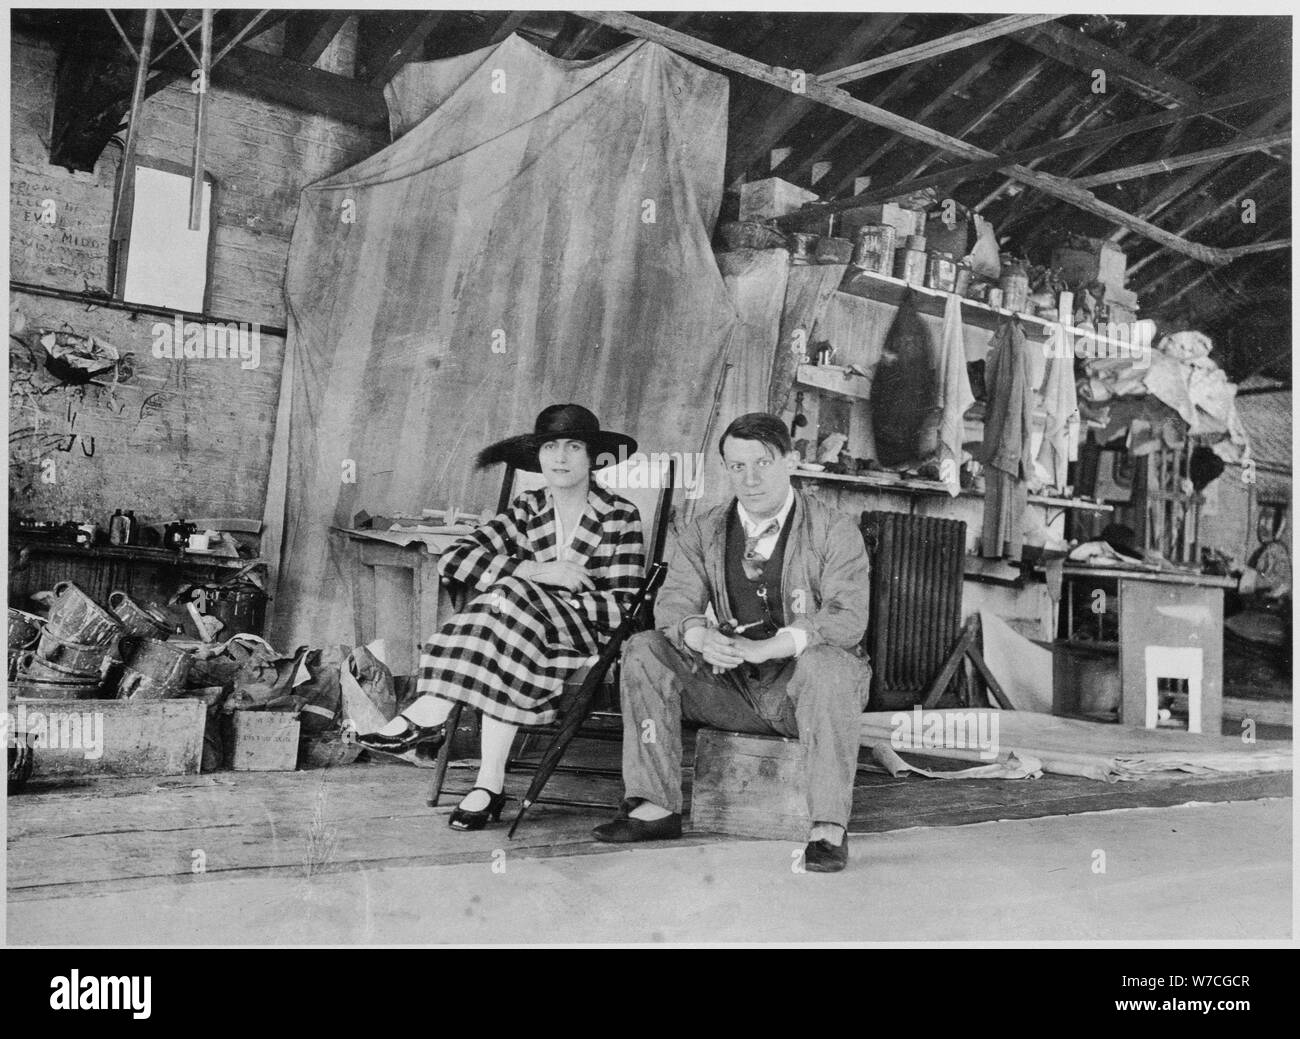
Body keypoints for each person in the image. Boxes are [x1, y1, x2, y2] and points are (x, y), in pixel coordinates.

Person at [592, 412, 872, 872]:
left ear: (790, 461)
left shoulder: (833, 528)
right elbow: (675, 601)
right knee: (644, 649)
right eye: (737, 466)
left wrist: (773, 646)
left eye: (762, 463)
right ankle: (656, 807)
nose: (750, 478)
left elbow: (846, 619)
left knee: (830, 665)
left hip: (804, 696)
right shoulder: (702, 527)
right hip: (732, 687)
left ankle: (827, 829)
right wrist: (699, 636)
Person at [357, 404, 645, 830]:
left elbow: (626, 607)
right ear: (539, 455)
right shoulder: (529, 507)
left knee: (508, 594)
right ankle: (487, 785)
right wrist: (535, 571)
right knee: (511, 614)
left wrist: (550, 594)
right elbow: (454, 558)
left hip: (583, 634)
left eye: (573, 446)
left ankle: (431, 707)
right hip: (521, 642)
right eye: (550, 446)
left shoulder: (620, 515)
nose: (561, 457)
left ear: (591, 457)